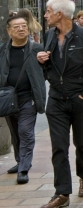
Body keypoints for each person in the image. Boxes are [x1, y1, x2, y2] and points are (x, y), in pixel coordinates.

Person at [37, 0, 83, 208]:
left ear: (60, 14)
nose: (45, 15)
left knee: (82, 143)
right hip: (56, 99)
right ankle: (62, 193)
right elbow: (49, 67)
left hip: (80, 99)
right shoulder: (49, 34)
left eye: (48, 11)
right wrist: (42, 61)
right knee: (59, 147)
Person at [0, 15, 46, 184]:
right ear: (9, 31)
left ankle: (24, 168)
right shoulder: (3, 50)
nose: (21, 29)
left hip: (29, 98)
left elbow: (47, 71)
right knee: (15, 132)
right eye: (17, 27)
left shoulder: (36, 49)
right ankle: (20, 161)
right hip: (8, 98)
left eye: (24, 26)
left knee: (25, 131)